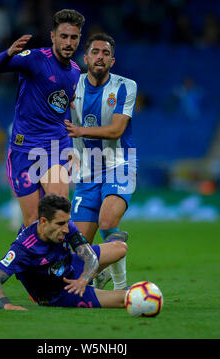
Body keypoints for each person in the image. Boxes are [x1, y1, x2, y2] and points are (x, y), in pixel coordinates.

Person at [0, 9, 85, 230]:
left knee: (59, 211)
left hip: (56, 146)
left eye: (74, 37)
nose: (68, 42)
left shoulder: (75, 71)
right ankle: (25, 261)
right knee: (33, 221)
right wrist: (7, 54)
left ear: (79, 39)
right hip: (25, 147)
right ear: (53, 37)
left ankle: (59, 263)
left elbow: (61, 98)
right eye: (64, 36)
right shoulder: (35, 59)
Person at [65, 33, 137, 290]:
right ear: (85, 58)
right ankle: (99, 273)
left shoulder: (126, 86)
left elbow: (116, 130)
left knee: (107, 222)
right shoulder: (72, 85)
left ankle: (122, 288)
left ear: (112, 60)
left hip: (119, 164)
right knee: (78, 248)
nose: (100, 57)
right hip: (87, 170)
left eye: (105, 53)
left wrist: (80, 130)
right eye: (95, 52)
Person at [0, 194, 129, 310]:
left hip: (70, 267)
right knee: (126, 299)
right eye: (60, 224)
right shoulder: (23, 248)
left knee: (121, 248)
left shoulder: (66, 225)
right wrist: (6, 305)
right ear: (43, 221)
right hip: (60, 293)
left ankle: (97, 276)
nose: (67, 229)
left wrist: (84, 279)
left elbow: (89, 257)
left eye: (67, 222)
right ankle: (107, 283)